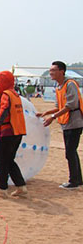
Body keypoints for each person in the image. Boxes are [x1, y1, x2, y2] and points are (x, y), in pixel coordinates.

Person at [37, 61, 83, 190]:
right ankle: (78, 179)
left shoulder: (70, 84)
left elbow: (71, 105)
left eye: (53, 70)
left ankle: (73, 181)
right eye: (50, 70)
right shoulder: (58, 86)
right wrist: (46, 113)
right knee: (71, 151)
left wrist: (52, 117)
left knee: (70, 152)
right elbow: (59, 106)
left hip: (74, 122)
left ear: (62, 71)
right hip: (66, 123)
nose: (51, 73)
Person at [0, 71, 28, 198]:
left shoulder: (6, 95)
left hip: (7, 132)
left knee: (1, 161)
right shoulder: (15, 94)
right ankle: (21, 186)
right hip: (18, 132)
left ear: (3, 82)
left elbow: (4, 110)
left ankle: (2, 189)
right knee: (9, 160)